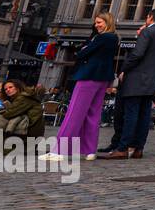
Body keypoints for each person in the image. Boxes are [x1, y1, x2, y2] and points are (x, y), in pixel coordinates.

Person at [42, 13, 119, 162]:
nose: (96, 25)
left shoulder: (102, 37)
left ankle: (60, 150)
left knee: (74, 112)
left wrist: (84, 48)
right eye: (96, 22)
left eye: (99, 22)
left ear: (107, 22)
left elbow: (82, 53)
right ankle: (90, 150)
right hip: (103, 78)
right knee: (93, 113)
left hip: (89, 76)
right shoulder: (114, 38)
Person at [101, 8, 155, 160]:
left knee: (130, 114)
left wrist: (124, 70)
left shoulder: (147, 32)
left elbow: (137, 54)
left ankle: (123, 148)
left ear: (150, 17)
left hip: (136, 80)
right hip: (152, 81)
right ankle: (138, 148)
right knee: (144, 115)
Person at [0, 79, 45, 150]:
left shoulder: (24, 97)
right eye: (5, 89)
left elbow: (9, 113)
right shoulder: (19, 97)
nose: (8, 90)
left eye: (10, 87)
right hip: (27, 129)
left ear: (18, 87)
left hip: (29, 132)